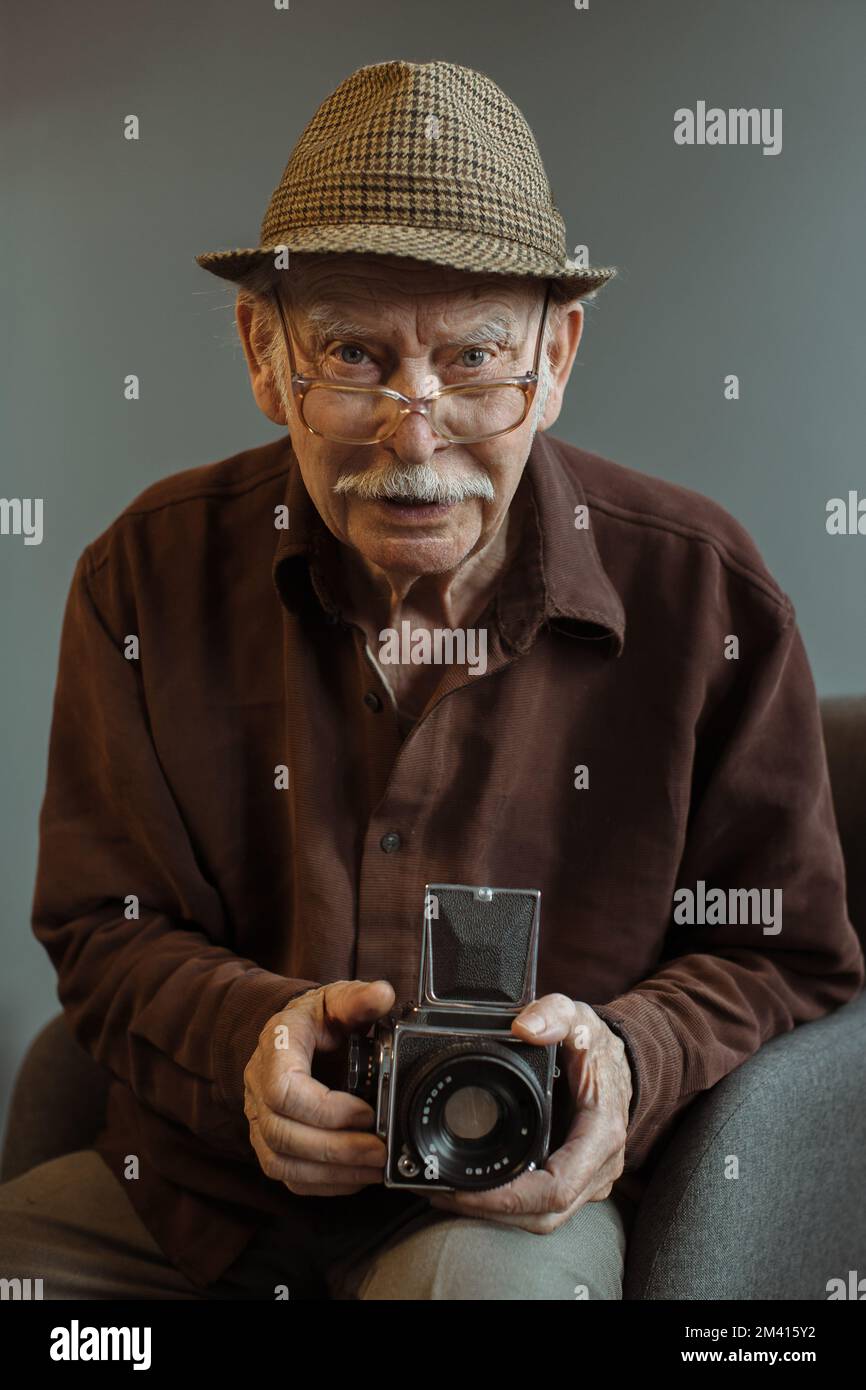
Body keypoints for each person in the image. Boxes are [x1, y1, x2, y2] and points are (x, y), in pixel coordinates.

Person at [4, 59, 862, 1301]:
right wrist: (252, 1039)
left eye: (473, 359)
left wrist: (627, 1054)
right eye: (352, 353)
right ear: (263, 352)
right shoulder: (144, 577)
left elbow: (790, 952)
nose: (416, 433)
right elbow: (100, 925)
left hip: (505, 1210)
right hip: (192, 1201)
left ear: (555, 356)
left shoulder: (706, 596)